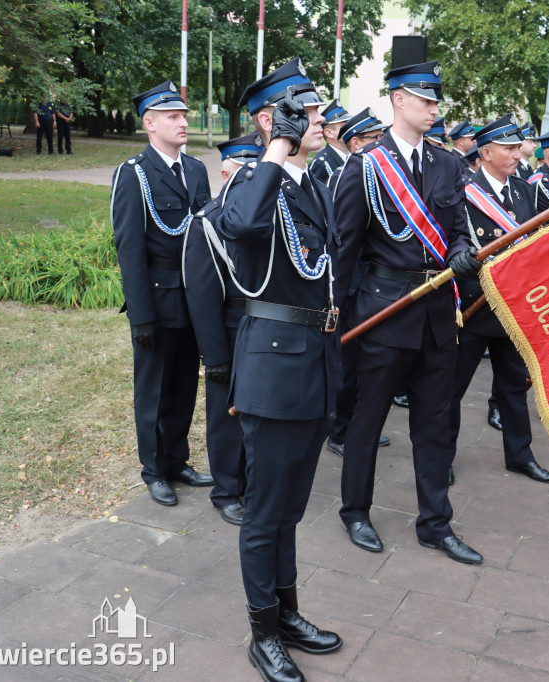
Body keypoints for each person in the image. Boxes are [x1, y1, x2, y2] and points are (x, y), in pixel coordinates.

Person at [217, 57, 343, 682]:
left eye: (317, 107)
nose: (321, 116)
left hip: (315, 364)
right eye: (306, 108)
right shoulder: (253, 178)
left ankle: (287, 612)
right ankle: (261, 631)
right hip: (273, 371)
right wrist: (277, 145)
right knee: (265, 512)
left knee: (292, 507)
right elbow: (239, 224)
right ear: (272, 119)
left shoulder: (311, 181)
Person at [333, 60, 484, 565]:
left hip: (439, 314)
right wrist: (340, 316)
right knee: (367, 420)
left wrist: (462, 250)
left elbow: (458, 223)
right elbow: (345, 250)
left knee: (435, 423)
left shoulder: (448, 164)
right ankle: (355, 511)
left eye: (437, 100)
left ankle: (435, 524)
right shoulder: (365, 166)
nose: (435, 109)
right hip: (385, 310)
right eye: (426, 99)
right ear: (398, 99)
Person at [110, 81, 214, 507]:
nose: (184, 122)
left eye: (184, 115)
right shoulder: (133, 173)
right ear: (150, 124)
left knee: (185, 385)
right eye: (173, 116)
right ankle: (153, 469)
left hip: (194, 299)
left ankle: (176, 460)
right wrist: (141, 315)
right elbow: (129, 249)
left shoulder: (195, 170)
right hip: (157, 297)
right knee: (153, 388)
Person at [449, 114, 549, 485]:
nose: (517, 154)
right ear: (487, 152)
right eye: (509, 148)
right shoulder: (463, 193)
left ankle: (520, 455)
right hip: (474, 309)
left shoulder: (523, 190)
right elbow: (457, 247)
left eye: (517, 147)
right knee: (451, 390)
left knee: (513, 386)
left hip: (512, 309)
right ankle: (441, 456)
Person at [181, 133, 262, 527]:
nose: (249, 178)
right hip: (229, 332)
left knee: (260, 413)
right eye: (241, 170)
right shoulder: (208, 222)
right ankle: (227, 490)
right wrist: (213, 356)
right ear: (225, 172)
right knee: (226, 416)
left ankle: (252, 483)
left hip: (265, 329)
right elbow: (202, 297)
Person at [326, 106, 391, 457]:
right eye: (373, 139)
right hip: (350, 284)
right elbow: (344, 240)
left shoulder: (373, 172)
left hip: (367, 281)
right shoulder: (346, 175)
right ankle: (339, 431)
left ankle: (352, 424)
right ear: (354, 143)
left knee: (362, 362)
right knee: (348, 362)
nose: (380, 143)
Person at [308, 99, 351, 184]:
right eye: (345, 126)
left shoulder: (353, 156)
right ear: (329, 133)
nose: (351, 129)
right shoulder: (321, 165)